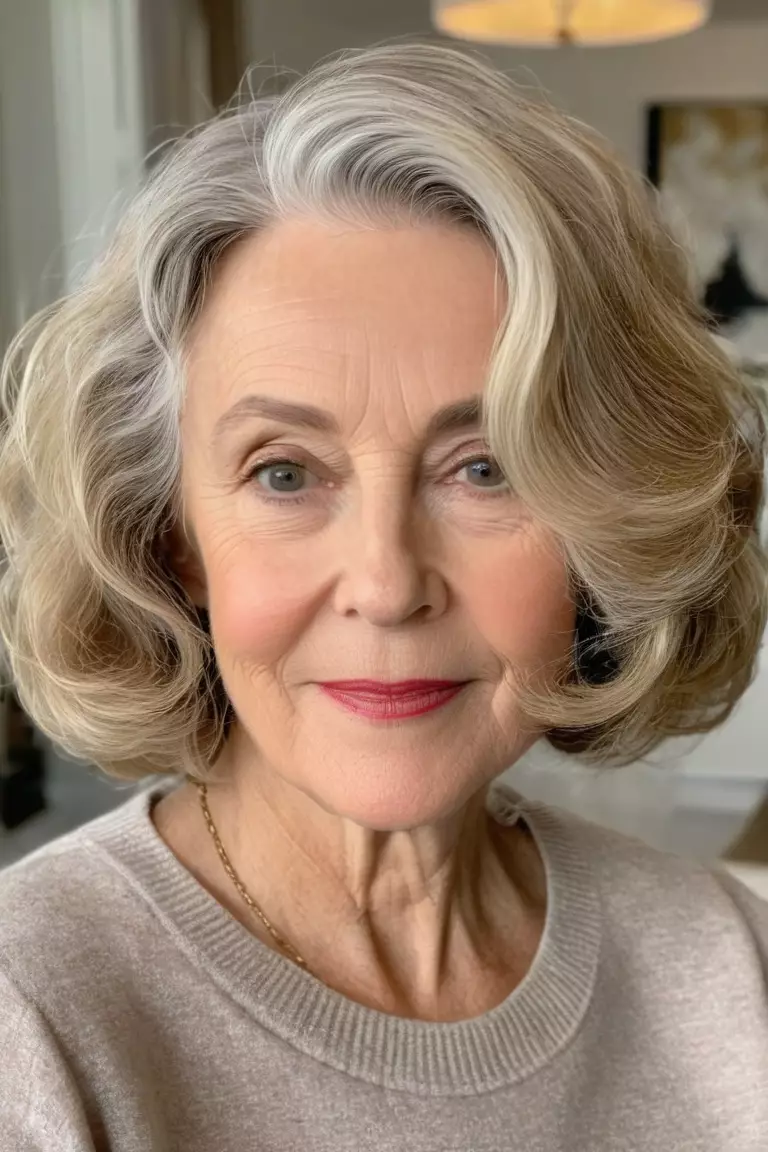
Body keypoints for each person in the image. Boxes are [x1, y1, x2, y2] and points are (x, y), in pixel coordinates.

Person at [0, 41, 767, 1152]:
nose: (389, 585)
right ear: (172, 541)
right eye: (283, 472)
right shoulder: (32, 1021)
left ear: (605, 526)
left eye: (486, 467)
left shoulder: (728, 968)